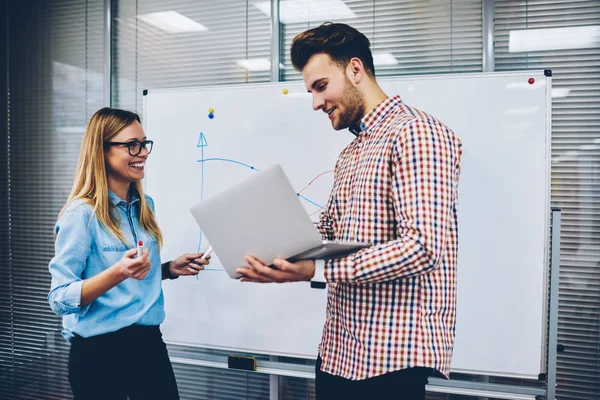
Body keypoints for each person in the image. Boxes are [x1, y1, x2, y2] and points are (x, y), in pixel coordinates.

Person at [237, 22, 462, 400]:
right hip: (340, 355)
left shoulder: (416, 133)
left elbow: (422, 247)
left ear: (355, 69)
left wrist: (317, 269)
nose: (316, 103)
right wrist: (271, 237)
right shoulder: (352, 152)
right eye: (311, 91)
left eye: (321, 87)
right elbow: (329, 229)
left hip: (391, 360)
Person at [48, 107, 210, 400]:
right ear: (102, 151)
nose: (143, 153)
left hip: (148, 347)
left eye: (144, 143)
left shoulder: (144, 205)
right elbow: (59, 299)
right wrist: (117, 272)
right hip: (98, 354)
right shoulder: (82, 215)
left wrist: (169, 269)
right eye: (131, 145)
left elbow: (129, 276)